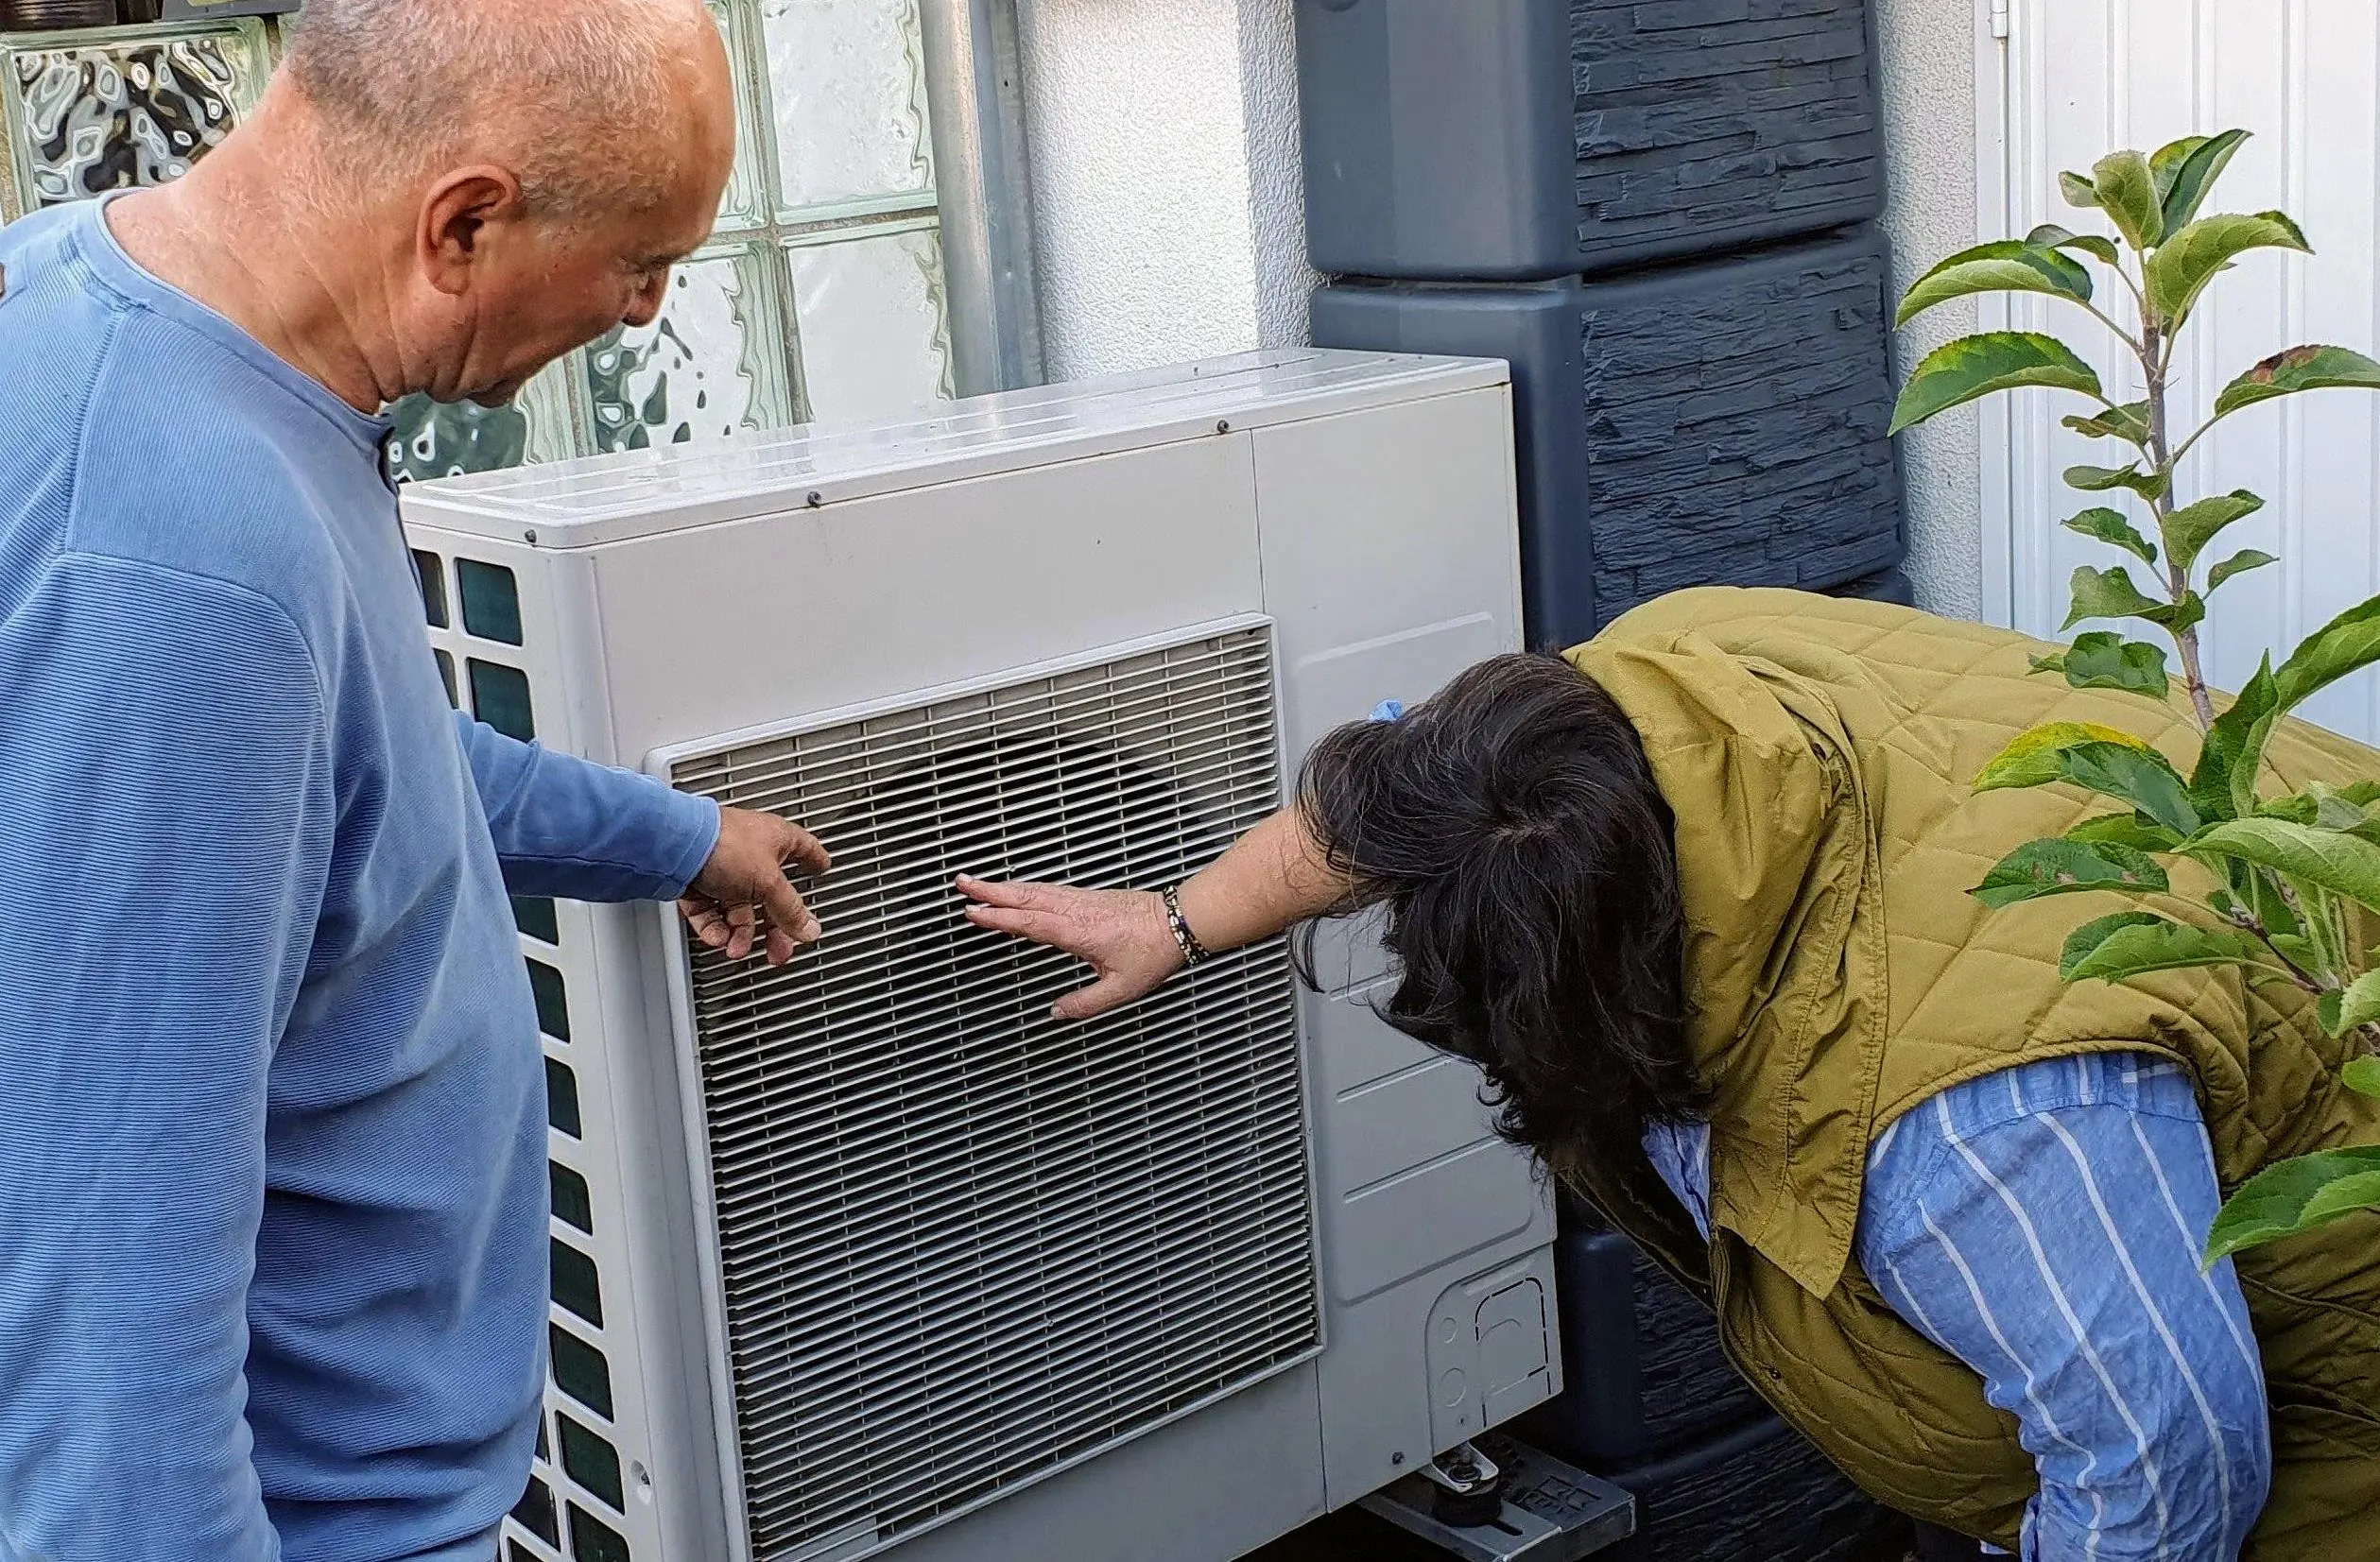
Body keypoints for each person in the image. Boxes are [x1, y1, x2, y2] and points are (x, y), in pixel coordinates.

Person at [960, 586, 2380, 1561]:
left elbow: (2159, 1468)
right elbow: (1407, 796)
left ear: (1601, 1005)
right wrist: (1178, 917)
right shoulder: (1654, 695)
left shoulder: (1978, 1129)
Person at [0, 1, 828, 1557]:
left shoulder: (118, 304)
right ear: (463, 224)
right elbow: (97, 1322)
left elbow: (345, 763)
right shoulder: (176, 564)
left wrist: (672, 836)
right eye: (642, 259)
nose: (650, 315)